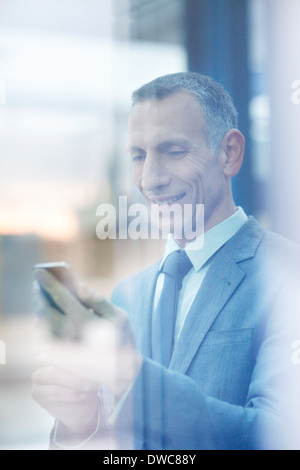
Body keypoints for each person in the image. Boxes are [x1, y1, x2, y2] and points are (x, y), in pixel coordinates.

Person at [32, 72, 300, 450]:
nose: (150, 179)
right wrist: (82, 424)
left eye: (173, 151)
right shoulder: (128, 293)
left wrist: (130, 377)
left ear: (229, 153)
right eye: (138, 156)